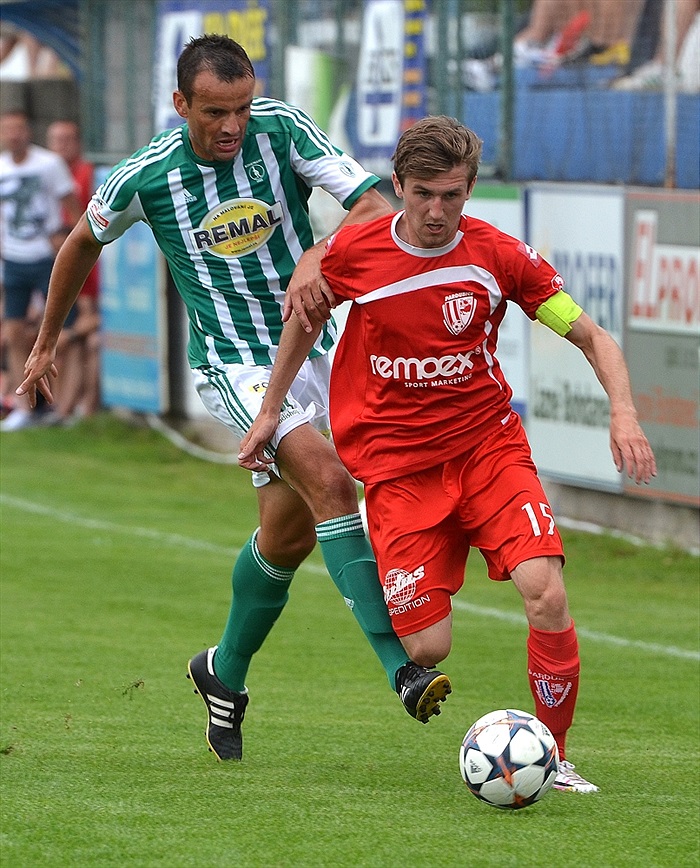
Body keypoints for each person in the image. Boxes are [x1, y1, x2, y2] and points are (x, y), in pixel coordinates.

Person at [16, 35, 451, 763]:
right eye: (215, 111)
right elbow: (79, 245)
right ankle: (400, 668)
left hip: (315, 348)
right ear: (180, 103)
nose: (232, 126)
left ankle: (222, 672)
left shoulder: (283, 129)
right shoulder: (145, 176)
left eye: (242, 108)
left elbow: (374, 208)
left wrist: (317, 253)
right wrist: (45, 342)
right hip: (234, 366)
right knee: (330, 482)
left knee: (288, 536)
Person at [239, 115, 658, 794]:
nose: (437, 211)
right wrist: (269, 413)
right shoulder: (357, 254)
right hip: (399, 471)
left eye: (452, 196)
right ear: (398, 185)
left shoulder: (500, 256)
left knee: (545, 592)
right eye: (424, 194)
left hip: (488, 450)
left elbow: (591, 335)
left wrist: (624, 412)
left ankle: (554, 758)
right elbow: (303, 323)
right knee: (428, 647)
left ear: (470, 189)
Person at [0, 110, 82, 431]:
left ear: (29, 131)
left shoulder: (48, 164)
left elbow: (75, 209)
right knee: (14, 332)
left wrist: (68, 241)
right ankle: (23, 407)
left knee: (64, 333)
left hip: (48, 258)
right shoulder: (2, 166)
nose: (13, 135)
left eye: (18, 129)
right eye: (7, 129)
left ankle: (61, 407)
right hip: (13, 258)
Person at [46, 120, 101, 420]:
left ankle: (78, 411)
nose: (62, 145)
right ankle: (56, 409)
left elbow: (92, 311)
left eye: (68, 139)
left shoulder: (88, 174)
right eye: (56, 140)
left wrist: (68, 333)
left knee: (83, 342)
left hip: (94, 320)